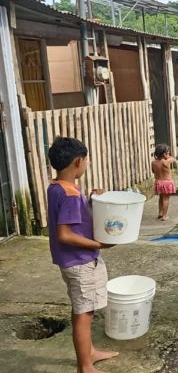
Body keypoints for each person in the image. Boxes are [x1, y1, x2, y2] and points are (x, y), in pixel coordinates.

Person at [47, 137, 118, 373]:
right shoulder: (68, 194)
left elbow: (72, 217)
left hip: (74, 262)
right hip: (79, 262)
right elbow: (64, 234)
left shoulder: (58, 187)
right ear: (78, 161)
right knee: (84, 313)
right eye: (86, 160)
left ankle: (89, 353)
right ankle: (85, 366)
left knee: (83, 308)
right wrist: (97, 243)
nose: (86, 164)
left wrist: (90, 199)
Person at [151, 143, 177, 221]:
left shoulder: (153, 162)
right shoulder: (166, 161)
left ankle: (160, 213)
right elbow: (172, 159)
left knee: (161, 198)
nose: (169, 153)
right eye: (167, 152)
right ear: (163, 154)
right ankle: (164, 216)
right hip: (167, 183)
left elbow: (153, 171)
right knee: (166, 199)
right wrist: (169, 158)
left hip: (159, 182)